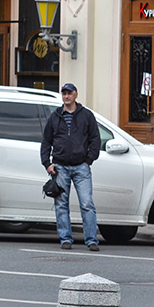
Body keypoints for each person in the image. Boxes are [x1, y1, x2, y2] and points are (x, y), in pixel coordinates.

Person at [40, 82, 101, 252]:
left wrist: (89, 160)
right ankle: (65, 238)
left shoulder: (86, 115)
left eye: (69, 93)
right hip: (60, 167)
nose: (66, 96)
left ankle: (91, 240)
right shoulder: (55, 116)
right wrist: (47, 163)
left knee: (87, 203)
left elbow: (95, 139)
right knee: (61, 204)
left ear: (76, 95)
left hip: (81, 166)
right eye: (64, 93)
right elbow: (46, 141)